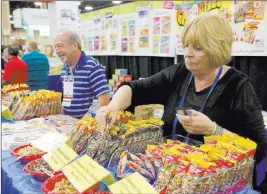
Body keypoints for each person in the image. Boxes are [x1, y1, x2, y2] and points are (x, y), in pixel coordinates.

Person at [96, 13, 267, 192]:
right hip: (173, 179)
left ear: (217, 48)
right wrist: (113, 106)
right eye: (186, 45)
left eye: (198, 48)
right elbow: (135, 89)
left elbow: (259, 148)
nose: (188, 53)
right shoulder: (179, 73)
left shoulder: (239, 86)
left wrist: (214, 130)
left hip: (214, 185)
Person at [54, 29, 110, 119]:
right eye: (55, 47)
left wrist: (86, 122)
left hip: (86, 127)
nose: (56, 51)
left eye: (60, 46)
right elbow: (68, 97)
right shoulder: (65, 68)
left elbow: (104, 100)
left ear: (74, 45)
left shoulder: (92, 66)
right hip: (69, 124)